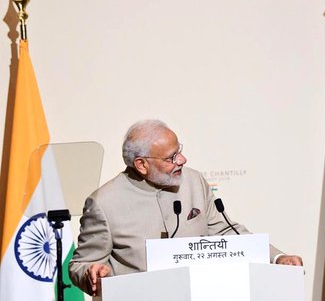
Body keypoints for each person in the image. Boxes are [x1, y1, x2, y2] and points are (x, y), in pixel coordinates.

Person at [68, 119, 302, 295]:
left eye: (178, 150)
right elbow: (81, 264)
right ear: (141, 164)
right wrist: (92, 274)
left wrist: (276, 258)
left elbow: (225, 231)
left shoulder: (194, 181)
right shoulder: (104, 203)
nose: (182, 160)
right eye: (171, 158)